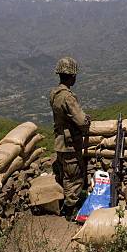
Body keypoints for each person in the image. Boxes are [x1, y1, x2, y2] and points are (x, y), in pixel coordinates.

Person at [49, 56, 91, 218]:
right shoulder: (67, 97)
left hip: (60, 141)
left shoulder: (54, 93)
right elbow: (81, 121)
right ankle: (70, 210)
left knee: (66, 175)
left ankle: (67, 205)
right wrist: (87, 120)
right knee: (74, 177)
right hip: (70, 143)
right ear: (72, 76)